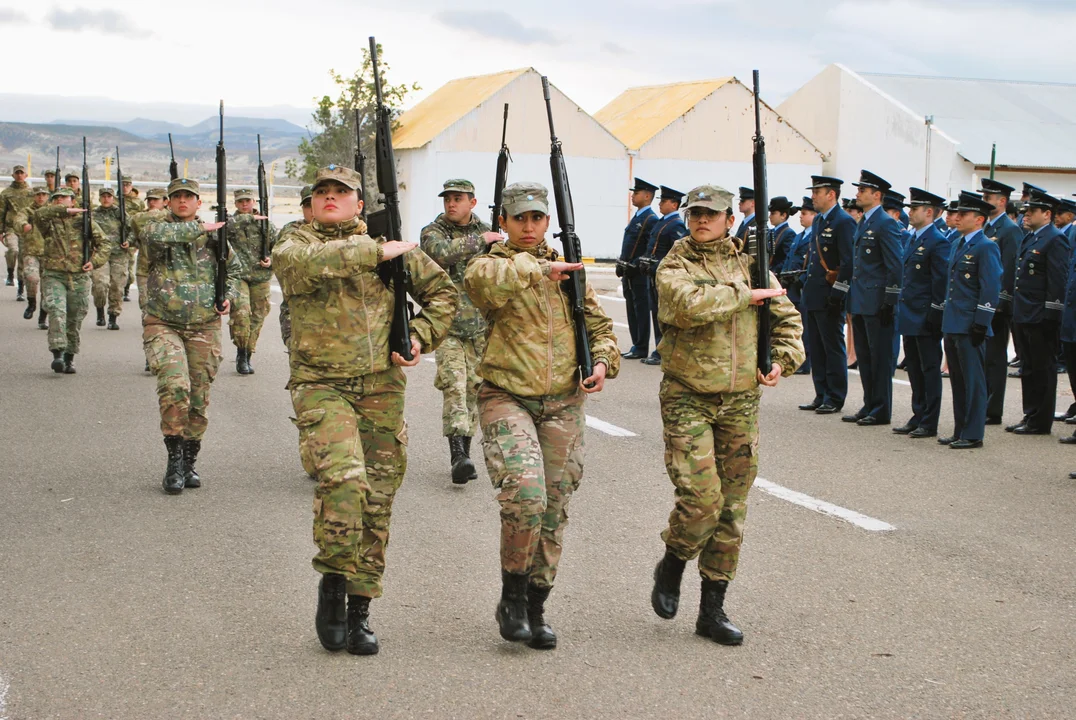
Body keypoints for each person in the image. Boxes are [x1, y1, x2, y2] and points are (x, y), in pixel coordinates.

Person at [273, 165, 456, 656]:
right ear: (311, 202)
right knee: (345, 480)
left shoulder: (389, 247)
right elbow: (301, 268)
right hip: (320, 383)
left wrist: (417, 337)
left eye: (342, 192)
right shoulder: (296, 241)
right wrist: (374, 250)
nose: (331, 198)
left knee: (377, 501)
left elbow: (443, 295)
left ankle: (359, 610)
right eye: (322, 192)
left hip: (380, 388)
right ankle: (332, 583)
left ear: (359, 202)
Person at [464, 181, 619, 650]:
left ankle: (536, 603)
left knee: (553, 507)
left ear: (548, 222)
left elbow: (598, 325)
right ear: (503, 223)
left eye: (536, 219)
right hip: (507, 395)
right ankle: (511, 595)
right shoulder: (492, 265)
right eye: (519, 219)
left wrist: (603, 361)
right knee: (525, 496)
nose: (528, 227)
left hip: (563, 402)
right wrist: (540, 269)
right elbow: (484, 286)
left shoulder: (568, 270)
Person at [649, 184, 803, 646]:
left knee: (732, 510)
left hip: (740, 400)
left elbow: (788, 321)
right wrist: (747, 293)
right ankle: (674, 559)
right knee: (702, 500)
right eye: (695, 213)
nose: (701, 221)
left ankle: (712, 608)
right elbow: (688, 306)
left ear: (729, 221)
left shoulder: (754, 267)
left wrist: (780, 359)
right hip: (688, 396)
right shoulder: (675, 264)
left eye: (711, 215)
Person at [141, 178, 242, 494]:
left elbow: (234, 270)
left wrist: (229, 294)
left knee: (198, 398)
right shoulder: (157, 229)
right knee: (175, 385)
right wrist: (202, 229)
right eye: (177, 197)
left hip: (204, 325)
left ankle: (188, 460)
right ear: (169, 202)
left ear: (199, 202)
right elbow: (152, 236)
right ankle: (173, 460)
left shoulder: (215, 238)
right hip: (163, 322)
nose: (182, 201)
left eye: (189, 197)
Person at [419, 178, 499, 483]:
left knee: (474, 391)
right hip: (447, 326)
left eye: (458, 198)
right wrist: (483, 241)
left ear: (472, 202)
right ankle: (458, 455)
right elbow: (439, 253)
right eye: (447, 198)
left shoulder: (487, 231)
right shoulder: (434, 231)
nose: (451, 203)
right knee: (454, 384)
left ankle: (464, 452)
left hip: (480, 328)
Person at [939, 192, 1002, 449]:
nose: (957, 217)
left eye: (963, 214)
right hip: (953, 320)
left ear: (978, 219)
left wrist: (982, 322)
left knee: (974, 380)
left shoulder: (987, 246)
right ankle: (960, 428)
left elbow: (990, 287)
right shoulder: (958, 243)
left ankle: (973, 433)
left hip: (969, 324)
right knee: (958, 380)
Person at [1006, 191, 1069, 436]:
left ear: (1047, 214)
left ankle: (1040, 421)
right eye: (1025, 212)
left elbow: (1057, 282)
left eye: (1031, 212)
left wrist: (1051, 315)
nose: (1026, 216)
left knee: (1043, 368)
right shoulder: (1030, 238)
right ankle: (1030, 414)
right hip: (1024, 313)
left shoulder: (1055, 239)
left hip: (1041, 317)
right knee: (1029, 368)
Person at [842, 171, 903, 427]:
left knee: (879, 358)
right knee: (866, 358)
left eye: (863, 190)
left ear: (876, 195)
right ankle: (869, 403)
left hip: (877, 301)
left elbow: (895, 264)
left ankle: (881, 408)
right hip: (862, 299)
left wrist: (889, 299)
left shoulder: (885, 223)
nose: (858, 194)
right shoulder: (865, 221)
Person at [893, 188, 951, 438]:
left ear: (929, 212)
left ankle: (929, 420)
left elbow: (940, 283)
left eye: (914, 209)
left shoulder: (938, 242)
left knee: (929, 369)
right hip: (909, 312)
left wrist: (935, 314)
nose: (909, 212)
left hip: (925, 315)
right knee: (914, 368)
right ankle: (918, 414)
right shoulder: (912, 238)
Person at [32, 187, 109, 373]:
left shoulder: (85, 221)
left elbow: (104, 243)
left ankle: (69, 357)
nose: (60, 200)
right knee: (57, 310)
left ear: (73, 200)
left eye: (64, 198)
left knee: (74, 318)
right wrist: (63, 210)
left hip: (79, 277)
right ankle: (57, 352)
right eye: (56, 198)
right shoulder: (49, 221)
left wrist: (94, 262)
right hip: (54, 274)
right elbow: (38, 215)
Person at [799, 176, 855, 414]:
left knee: (832, 347)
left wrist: (838, 293)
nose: (813, 196)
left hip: (830, 295)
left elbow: (848, 262)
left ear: (831, 194)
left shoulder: (843, 222)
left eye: (817, 192)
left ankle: (835, 396)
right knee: (816, 346)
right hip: (814, 293)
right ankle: (820, 393)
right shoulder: (821, 220)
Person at [979, 179, 1023, 423]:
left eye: (988, 198)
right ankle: (983, 402)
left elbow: (1008, 270)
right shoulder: (986, 227)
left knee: (995, 358)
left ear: (1002, 201)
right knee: (984, 356)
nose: (984, 201)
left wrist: (1001, 302)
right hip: (983, 302)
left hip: (998, 304)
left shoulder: (1009, 229)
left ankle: (993, 409)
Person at [228, 188, 277, 375]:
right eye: (240, 201)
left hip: (260, 277)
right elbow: (217, 236)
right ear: (236, 203)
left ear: (254, 202)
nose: (244, 204)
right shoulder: (231, 223)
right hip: (238, 276)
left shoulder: (266, 225)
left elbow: (279, 246)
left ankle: (248, 353)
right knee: (241, 314)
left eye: (247, 200)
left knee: (257, 317)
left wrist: (270, 259)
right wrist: (246, 219)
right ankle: (240, 352)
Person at [639, 186, 687, 366]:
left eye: (664, 201)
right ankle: (660, 348)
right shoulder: (662, 222)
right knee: (656, 313)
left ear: (674, 204)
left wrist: (658, 265)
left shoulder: (676, 225)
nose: (659, 203)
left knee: (663, 314)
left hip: (664, 276)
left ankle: (663, 350)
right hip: (654, 275)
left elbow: (676, 254)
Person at [618, 177, 658, 360]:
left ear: (647, 196)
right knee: (632, 308)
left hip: (639, 272)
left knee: (641, 309)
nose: (633, 196)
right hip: (628, 270)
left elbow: (649, 247)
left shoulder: (650, 219)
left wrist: (636, 264)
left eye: (637, 193)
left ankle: (641, 346)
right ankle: (636, 344)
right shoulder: (638, 217)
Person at [781, 196, 815, 374]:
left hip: (801, 287)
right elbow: (790, 259)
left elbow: (808, 264)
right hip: (791, 287)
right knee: (795, 326)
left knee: (806, 328)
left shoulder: (813, 237)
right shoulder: (800, 236)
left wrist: (799, 281)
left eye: (805, 213)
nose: (801, 217)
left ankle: (805, 361)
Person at [91, 187, 132, 330]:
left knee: (117, 286)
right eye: (103, 196)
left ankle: (113, 317)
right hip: (100, 254)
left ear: (113, 198)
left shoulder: (120, 213)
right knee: (100, 284)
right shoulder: (94, 214)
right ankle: (100, 312)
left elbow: (132, 229)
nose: (106, 199)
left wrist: (129, 241)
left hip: (119, 254)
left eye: (109, 196)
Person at [278, 184, 313, 349]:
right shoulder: (292, 231)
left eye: (316, 203)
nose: (313, 209)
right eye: (308, 205)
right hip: (297, 311)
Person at [14, 186, 50, 323]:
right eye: (38, 195)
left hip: (49, 255)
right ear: (34, 196)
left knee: (47, 288)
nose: (40, 197)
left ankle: (43, 316)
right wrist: (24, 225)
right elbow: (18, 220)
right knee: (31, 278)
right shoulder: (27, 211)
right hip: (31, 252)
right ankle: (31, 302)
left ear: (47, 196)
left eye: (43, 194)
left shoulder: (51, 211)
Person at [1, 164, 33, 291]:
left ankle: (21, 287)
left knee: (22, 256)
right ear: (13, 175)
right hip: (11, 228)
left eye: (22, 173)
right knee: (13, 250)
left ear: (26, 175)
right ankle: (10, 272)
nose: (19, 175)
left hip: (26, 229)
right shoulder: (6, 193)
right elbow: (1, 212)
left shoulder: (32, 193)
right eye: (17, 173)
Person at [767, 196, 797, 273]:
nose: (770, 216)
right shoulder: (770, 232)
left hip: (777, 276)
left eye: (773, 213)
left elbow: (787, 258)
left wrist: (774, 271)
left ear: (783, 215)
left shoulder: (789, 234)